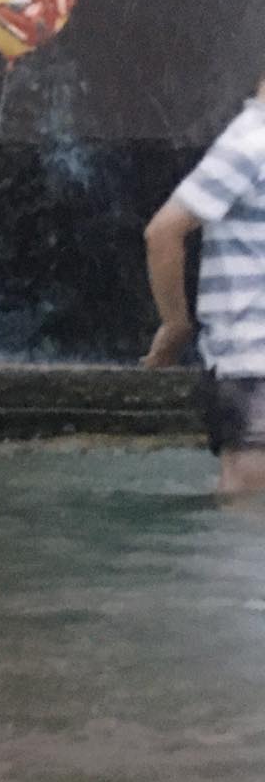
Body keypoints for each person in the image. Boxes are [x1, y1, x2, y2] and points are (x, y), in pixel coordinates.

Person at [144, 71, 265, 494]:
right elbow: (163, 231)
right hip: (251, 364)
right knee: (249, 498)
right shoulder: (249, 144)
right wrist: (175, 325)